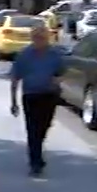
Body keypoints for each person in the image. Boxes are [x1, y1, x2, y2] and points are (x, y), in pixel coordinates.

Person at [9, 25, 65, 177]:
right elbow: (15, 78)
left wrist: (58, 81)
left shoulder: (54, 54)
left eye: (42, 38)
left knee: (43, 128)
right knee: (33, 131)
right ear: (32, 39)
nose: (39, 41)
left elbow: (61, 73)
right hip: (31, 96)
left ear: (47, 39)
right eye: (37, 38)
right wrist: (13, 102)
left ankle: (37, 151)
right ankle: (35, 162)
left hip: (49, 95)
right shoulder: (24, 55)